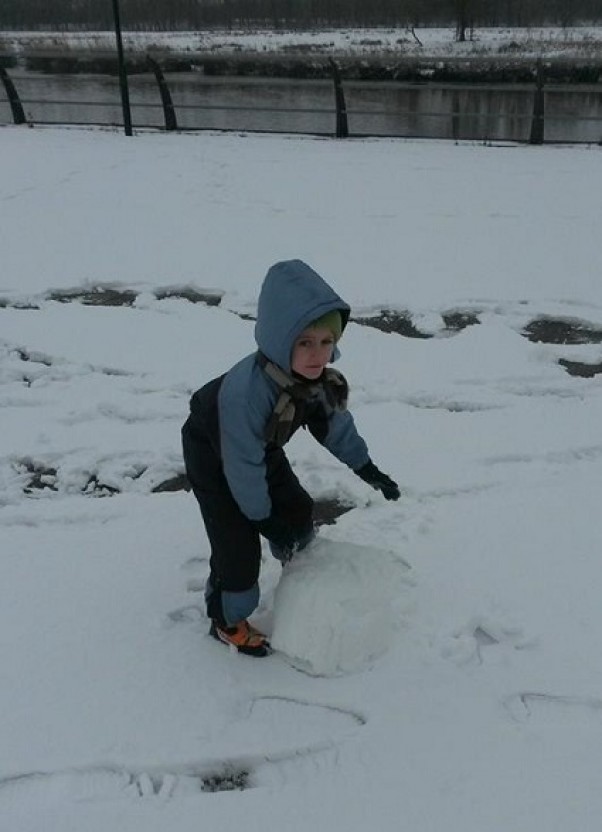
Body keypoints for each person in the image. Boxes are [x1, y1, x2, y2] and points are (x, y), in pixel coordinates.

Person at [182, 259, 400, 657]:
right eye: (304, 342)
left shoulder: (314, 379)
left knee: (297, 510)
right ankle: (227, 620)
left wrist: (368, 468)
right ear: (280, 339)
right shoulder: (243, 396)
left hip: (258, 448)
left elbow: (335, 426)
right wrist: (264, 520)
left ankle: (296, 567)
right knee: (238, 553)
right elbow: (243, 470)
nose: (318, 354)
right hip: (214, 454)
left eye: (325, 342)